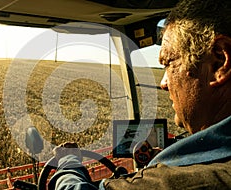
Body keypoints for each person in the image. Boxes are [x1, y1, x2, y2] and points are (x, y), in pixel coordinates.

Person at [49, 0, 231, 189]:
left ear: (219, 62)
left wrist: (68, 162)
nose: (163, 83)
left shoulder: (172, 181)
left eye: (168, 63)